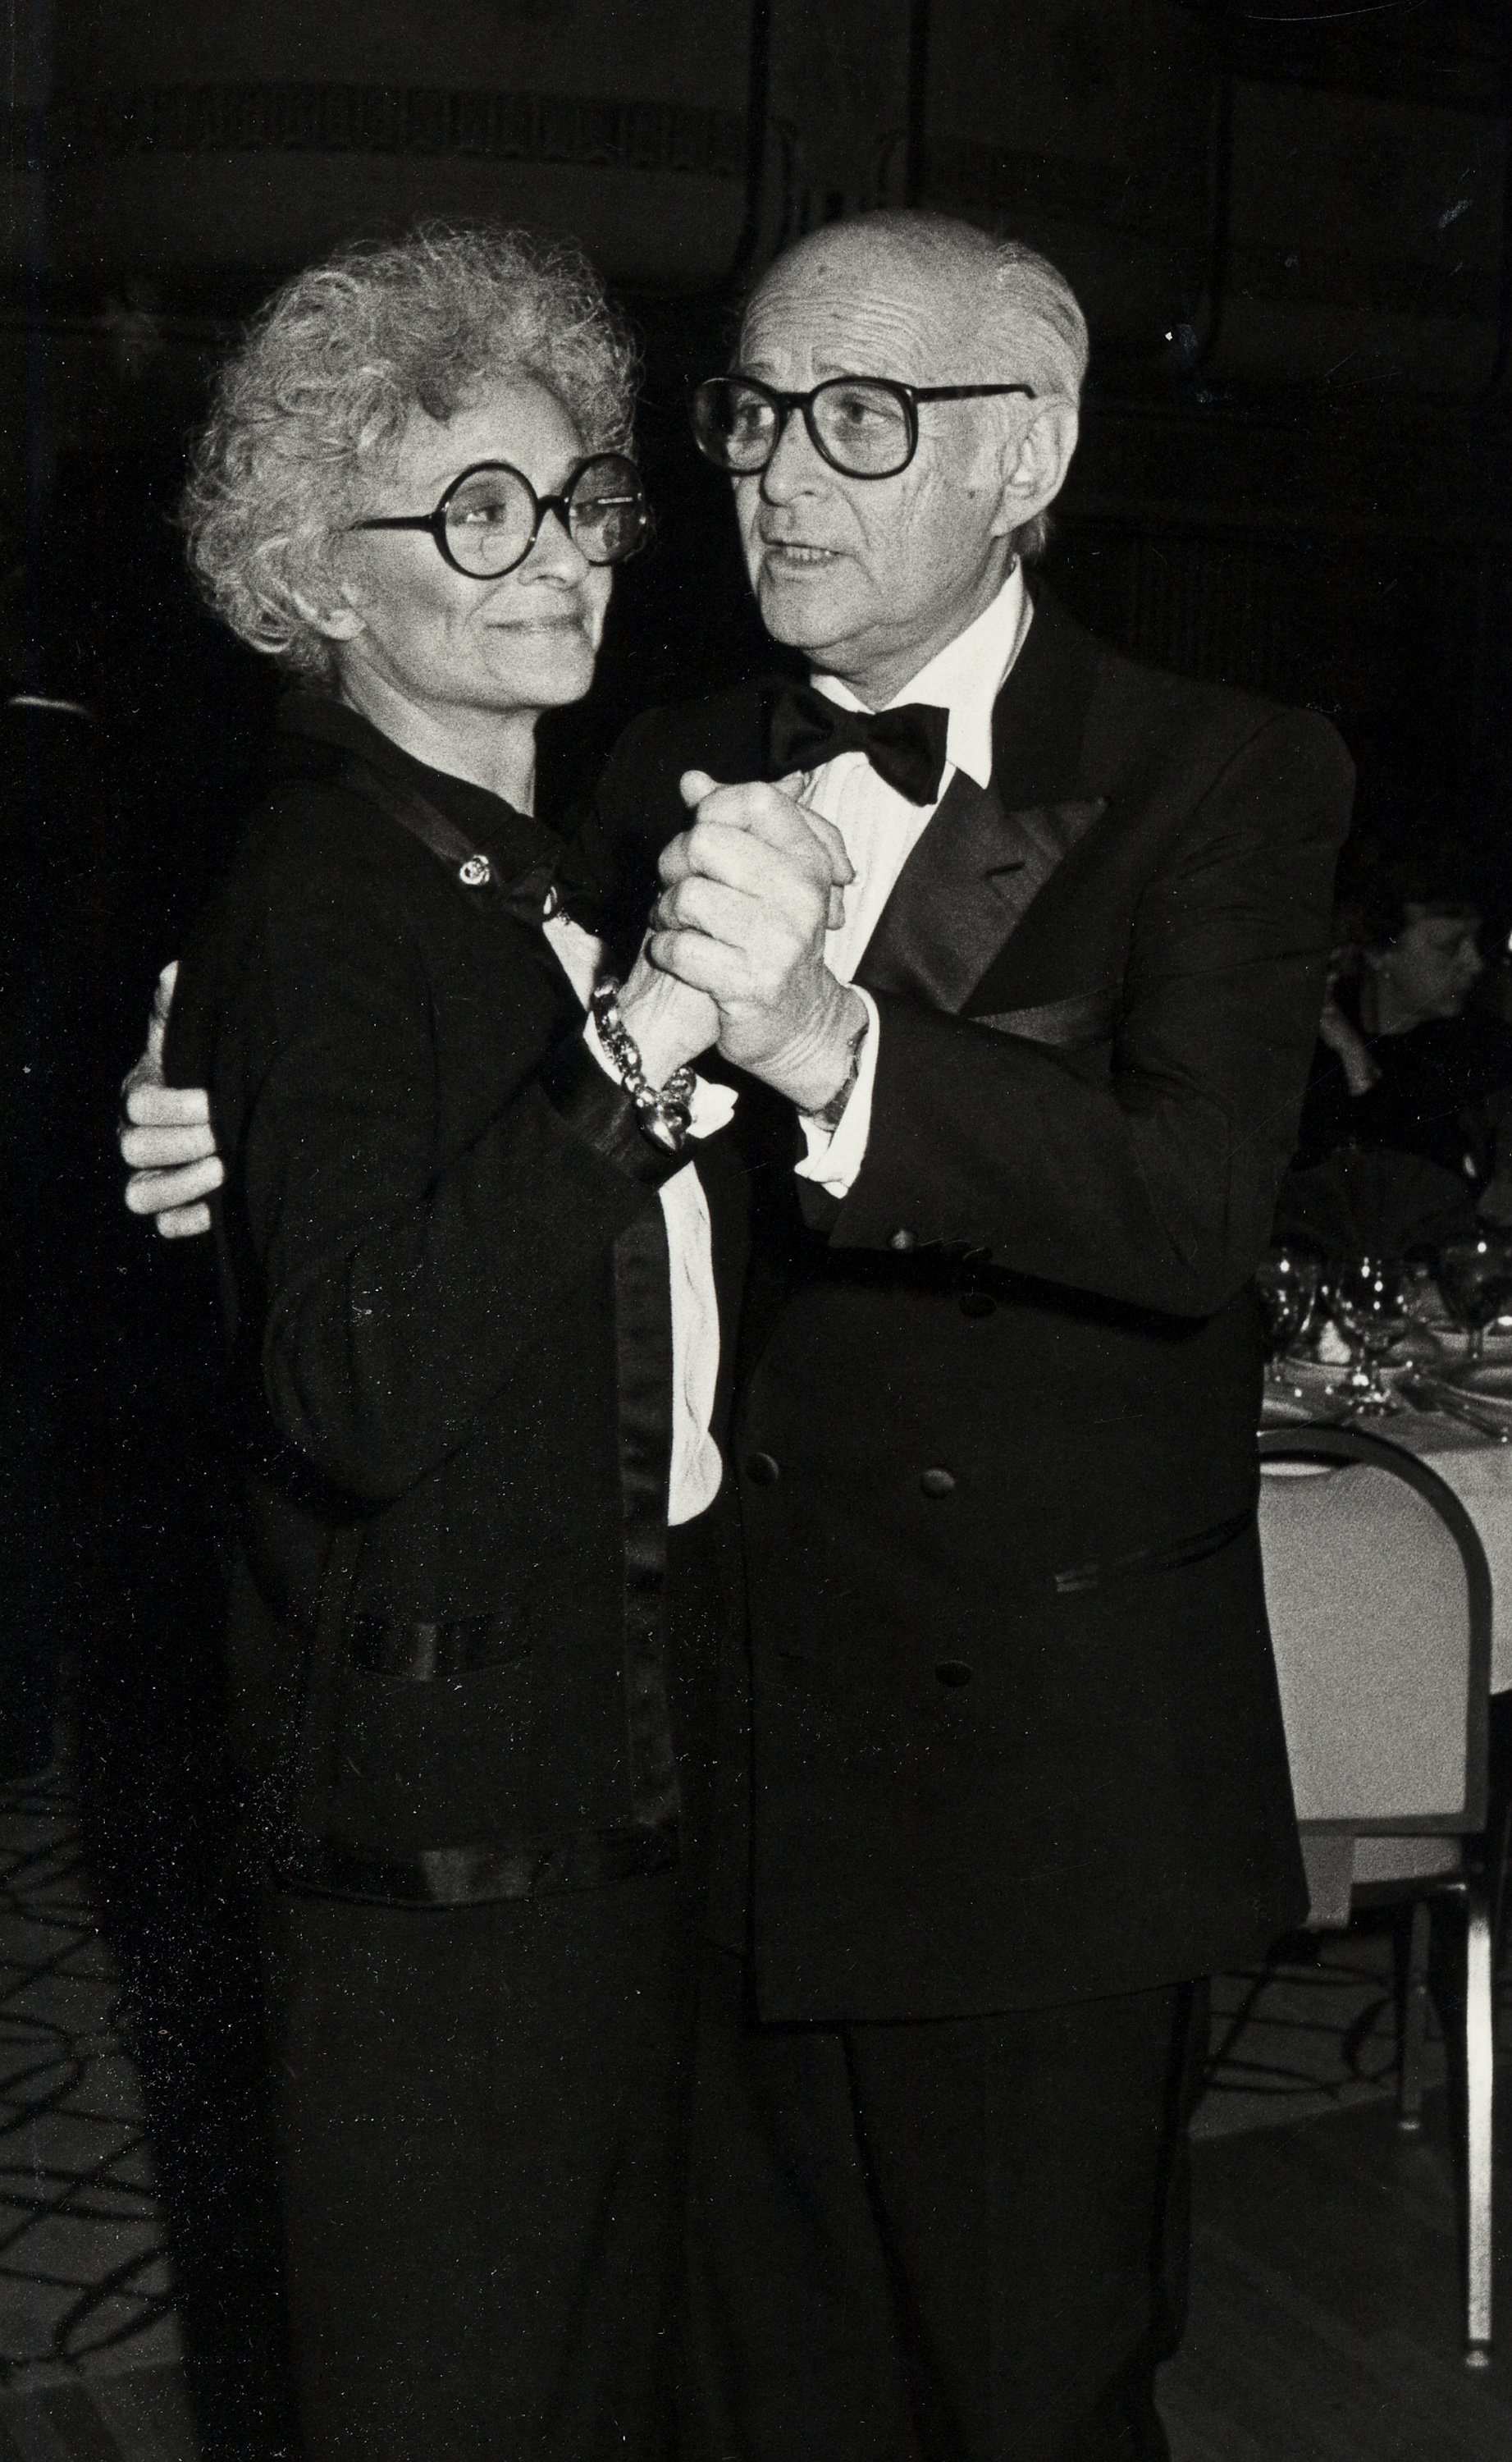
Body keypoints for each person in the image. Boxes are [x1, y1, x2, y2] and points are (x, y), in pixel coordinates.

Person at [126, 207, 1354, 2460]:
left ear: (1028, 454)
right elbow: (430, 1092)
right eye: (754, 412)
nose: (777, 474)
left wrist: (822, 1045)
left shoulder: (1217, 771)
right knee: (730, 2394)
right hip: (692, 1775)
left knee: (1019, 2400)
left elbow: (1187, 1210)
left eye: (861, 418)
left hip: (1023, 1810)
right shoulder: (644, 754)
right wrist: (197, 1143)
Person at [120, 220, 827, 2462]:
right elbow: (351, 1381)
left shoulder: (519, 882)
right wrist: (628, 1067)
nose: (556, 561)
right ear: (325, 584)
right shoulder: (328, 887)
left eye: (576, 501)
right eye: (476, 513)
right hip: (440, 1856)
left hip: (582, 1777)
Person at [1290, 840, 1512, 1211]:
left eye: (1475, 941)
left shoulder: (1485, 1052)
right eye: (1449, 946)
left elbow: (1414, 1184)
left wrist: (1357, 1065)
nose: (1474, 964)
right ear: (1379, 951)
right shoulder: (1312, 1036)